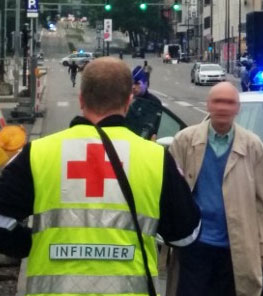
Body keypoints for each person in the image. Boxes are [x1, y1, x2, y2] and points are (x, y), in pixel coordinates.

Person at [0, 57, 201, 294]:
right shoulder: (155, 158)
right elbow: (187, 234)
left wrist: (28, 244)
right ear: (128, 101)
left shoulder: (38, 153)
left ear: (82, 99)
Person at [166, 82, 263, 296]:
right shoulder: (185, 141)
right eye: (217, 101)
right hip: (194, 245)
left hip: (235, 246)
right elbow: (172, 195)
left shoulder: (253, 146)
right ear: (208, 105)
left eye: (229, 102)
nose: (223, 107)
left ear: (237, 108)